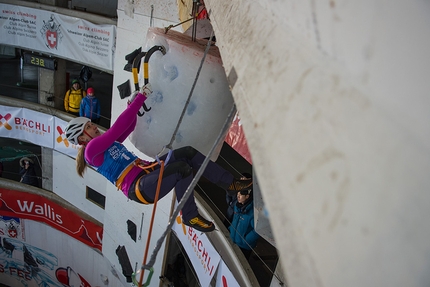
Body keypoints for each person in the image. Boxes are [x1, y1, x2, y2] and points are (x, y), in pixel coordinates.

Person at [64, 84, 252, 232]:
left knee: (187, 153)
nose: (94, 127)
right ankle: (189, 215)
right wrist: (139, 99)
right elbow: (116, 130)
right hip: (139, 187)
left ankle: (230, 183)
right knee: (182, 169)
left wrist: (132, 107)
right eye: (88, 127)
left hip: (147, 171)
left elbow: (128, 127)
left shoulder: (104, 144)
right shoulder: (91, 150)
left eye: (90, 124)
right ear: (82, 138)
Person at [229, 186, 259, 260]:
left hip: (244, 246)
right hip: (234, 240)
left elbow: (257, 229)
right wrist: (231, 229)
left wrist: (246, 240)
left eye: (241, 195)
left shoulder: (253, 212)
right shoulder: (237, 206)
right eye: (238, 193)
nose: (238, 196)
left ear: (247, 196)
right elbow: (235, 220)